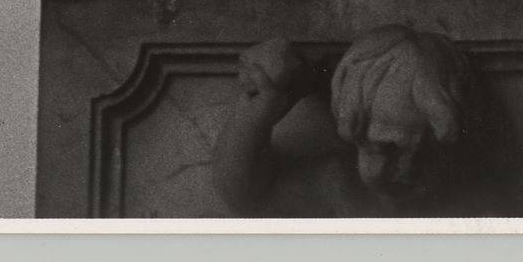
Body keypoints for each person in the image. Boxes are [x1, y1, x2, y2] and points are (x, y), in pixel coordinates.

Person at [207, 26, 489, 217]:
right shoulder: (343, 188)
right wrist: (255, 114)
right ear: (355, 135)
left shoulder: (470, 199)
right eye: (385, 149)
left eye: (428, 153)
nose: (407, 169)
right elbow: (246, 194)